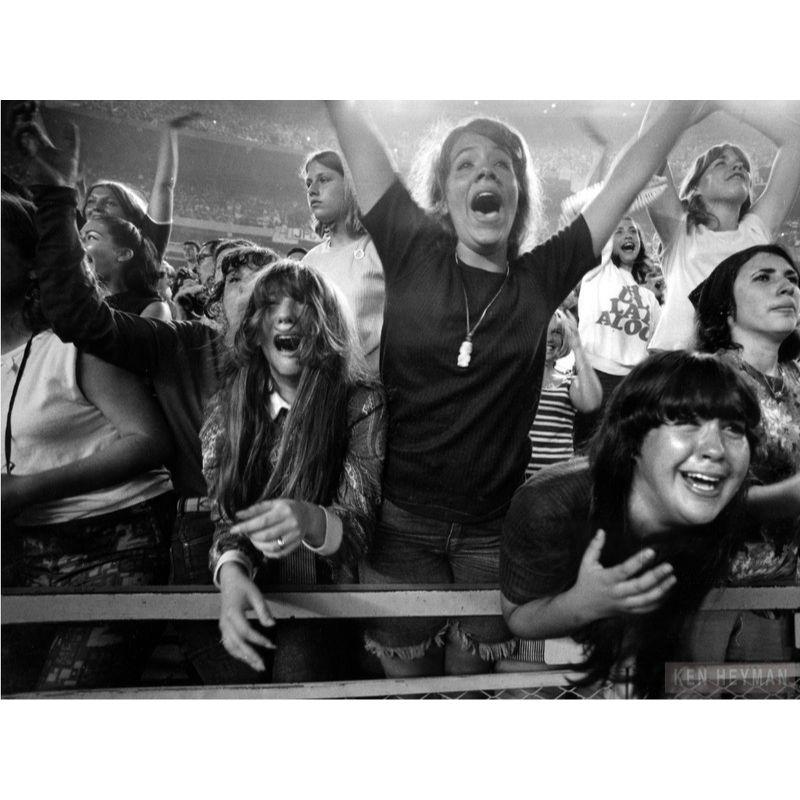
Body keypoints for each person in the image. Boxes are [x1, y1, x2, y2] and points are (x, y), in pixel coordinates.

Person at [327, 99, 708, 677]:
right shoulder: (412, 250)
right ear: (444, 196)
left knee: (468, 683)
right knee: (408, 686)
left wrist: (679, 108)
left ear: (518, 195)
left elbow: (626, 179)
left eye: (502, 165)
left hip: (490, 528)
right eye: (466, 165)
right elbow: (360, 140)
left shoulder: (541, 277)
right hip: (399, 524)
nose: (486, 173)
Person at [16, 118, 282, 683]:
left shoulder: (319, 377)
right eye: (236, 278)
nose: (258, 289)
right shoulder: (188, 346)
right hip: (200, 537)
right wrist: (57, 192)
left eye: (274, 278)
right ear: (216, 302)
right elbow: (82, 318)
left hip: (284, 549)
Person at [500, 351, 760, 697]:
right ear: (634, 440)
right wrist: (585, 602)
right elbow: (518, 617)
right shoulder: (551, 505)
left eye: (733, 427)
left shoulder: (718, 502)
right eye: (686, 421)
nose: (716, 449)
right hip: (547, 673)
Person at [1, 191, 175, 693]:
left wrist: (23, 490)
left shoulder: (73, 345)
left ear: (35, 266)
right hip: (25, 557)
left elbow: (148, 440)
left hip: (114, 546)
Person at [207, 260, 386, 680]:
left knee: (297, 673)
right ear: (254, 326)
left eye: (301, 304)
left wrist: (307, 518)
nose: (285, 315)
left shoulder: (360, 402)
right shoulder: (227, 409)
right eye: (270, 305)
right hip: (253, 586)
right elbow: (226, 518)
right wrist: (232, 574)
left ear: (326, 322)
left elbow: (357, 529)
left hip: (325, 598)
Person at [690, 244, 800, 661]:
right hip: (708, 596)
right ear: (726, 308)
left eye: (792, 279)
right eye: (764, 277)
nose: (786, 287)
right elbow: (694, 495)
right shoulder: (706, 379)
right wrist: (788, 496)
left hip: (781, 596)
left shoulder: (796, 377)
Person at [646, 102, 800, 351]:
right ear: (696, 187)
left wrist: (733, 105)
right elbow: (648, 148)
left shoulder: (755, 231)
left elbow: (796, 141)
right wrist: (690, 112)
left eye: (743, 166)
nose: (738, 166)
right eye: (721, 163)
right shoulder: (680, 231)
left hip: (742, 370)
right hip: (681, 370)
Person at [573, 215, 662, 448]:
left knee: (623, 453)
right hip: (596, 375)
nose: (628, 235)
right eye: (619, 231)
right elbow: (597, 232)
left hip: (633, 383)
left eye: (633, 231)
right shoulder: (597, 273)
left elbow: (655, 349)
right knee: (586, 454)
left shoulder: (649, 298)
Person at [301, 150, 385, 375]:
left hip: (371, 394)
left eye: (324, 179)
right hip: (317, 392)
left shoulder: (379, 252)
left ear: (351, 185)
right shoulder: (309, 262)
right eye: (309, 183)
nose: (312, 190)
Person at [525, 309, 601, 477]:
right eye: (544, 331)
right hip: (516, 480)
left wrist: (578, 347)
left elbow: (592, 403)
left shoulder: (568, 383)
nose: (550, 338)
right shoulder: (517, 381)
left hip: (555, 481)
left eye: (556, 332)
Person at [80, 212, 171, 320]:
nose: (78, 245)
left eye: (91, 237)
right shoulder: (77, 301)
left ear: (123, 254)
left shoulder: (153, 309)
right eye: (79, 238)